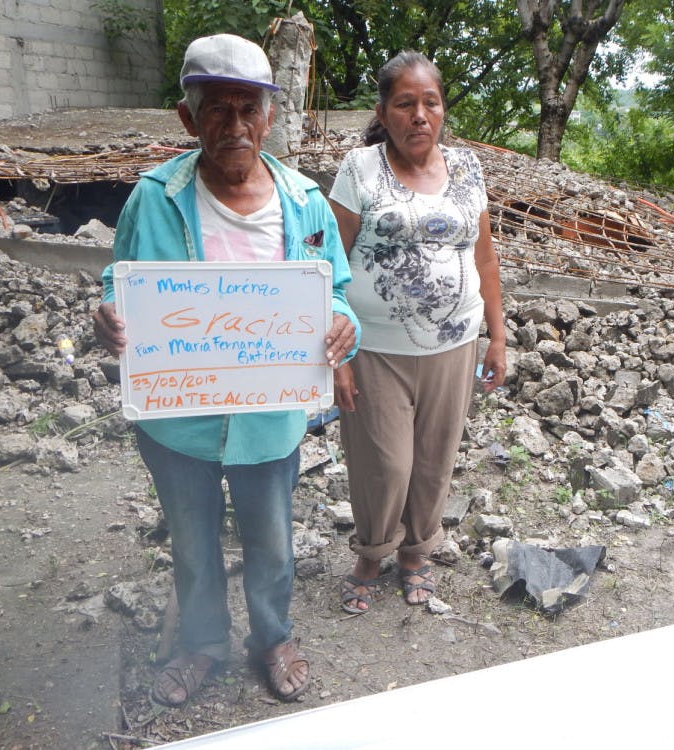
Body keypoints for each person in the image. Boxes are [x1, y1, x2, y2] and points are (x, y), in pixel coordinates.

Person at [92, 34, 360, 706]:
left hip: (269, 417)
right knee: (192, 539)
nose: (235, 126)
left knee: (271, 544)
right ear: (189, 119)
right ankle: (203, 643)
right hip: (178, 418)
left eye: (250, 109)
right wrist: (109, 312)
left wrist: (340, 325)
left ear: (271, 117)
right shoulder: (154, 198)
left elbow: (331, 290)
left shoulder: (304, 203)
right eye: (217, 109)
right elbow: (117, 280)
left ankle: (272, 636)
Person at [328, 51, 506, 613]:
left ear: (443, 109)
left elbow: (486, 261)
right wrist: (334, 356)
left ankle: (416, 553)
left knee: (433, 459)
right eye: (405, 103)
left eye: (430, 102)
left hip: (456, 345)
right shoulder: (360, 169)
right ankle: (371, 552)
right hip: (375, 348)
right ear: (383, 112)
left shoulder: (468, 169)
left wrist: (497, 337)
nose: (420, 115)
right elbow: (329, 265)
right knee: (386, 464)